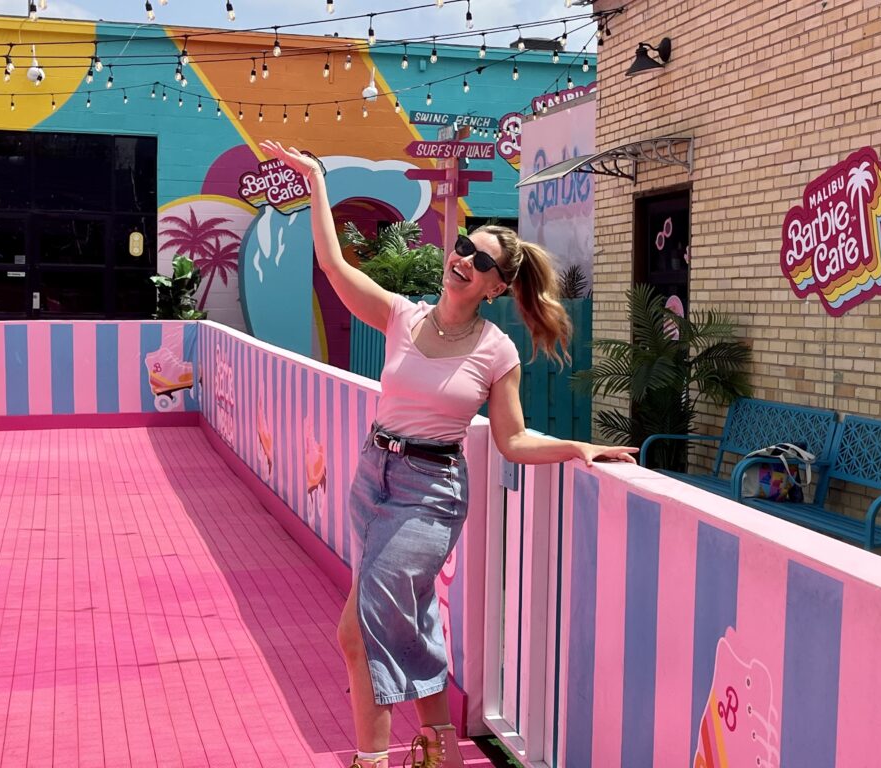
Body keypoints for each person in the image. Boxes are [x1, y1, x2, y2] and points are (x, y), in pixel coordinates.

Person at [260, 140, 637, 768]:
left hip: (429, 495)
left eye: (480, 259)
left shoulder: (496, 351)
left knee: (359, 635)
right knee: (411, 627)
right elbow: (332, 265)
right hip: (371, 477)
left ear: (495, 285)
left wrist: (578, 447)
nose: (463, 258)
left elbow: (511, 438)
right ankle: (442, 758)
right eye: (463, 246)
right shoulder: (401, 317)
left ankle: (371, 761)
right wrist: (317, 179)